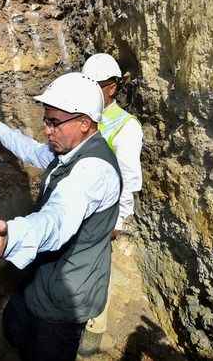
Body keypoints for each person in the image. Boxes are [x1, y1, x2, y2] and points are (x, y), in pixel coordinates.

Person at [0, 72, 122, 361]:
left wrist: (10, 237)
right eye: (46, 120)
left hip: (67, 297)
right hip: (42, 275)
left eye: (54, 123)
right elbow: (34, 152)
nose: (47, 130)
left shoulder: (93, 172)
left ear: (85, 123)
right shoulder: (70, 150)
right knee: (15, 327)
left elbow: (56, 219)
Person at [79, 53, 144, 353]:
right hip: (79, 209)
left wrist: (118, 222)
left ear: (112, 88)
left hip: (103, 217)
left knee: (97, 274)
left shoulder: (127, 127)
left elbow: (130, 181)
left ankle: (91, 339)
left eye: (95, 85)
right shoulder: (85, 116)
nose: (88, 90)